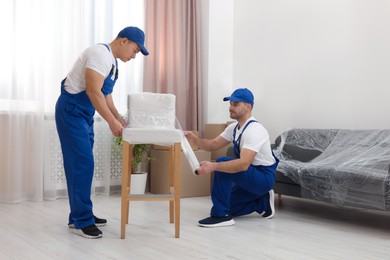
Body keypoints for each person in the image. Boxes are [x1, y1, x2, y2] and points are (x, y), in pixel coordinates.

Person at [55, 26, 149, 238]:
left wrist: (118, 117)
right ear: (124, 41)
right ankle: (82, 221)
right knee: (82, 164)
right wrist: (110, 122)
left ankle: (78, 214)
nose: (134, 56)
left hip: (84, 115)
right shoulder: (100, 54)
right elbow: (92, 91)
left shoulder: (113, 64)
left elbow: (105, 95)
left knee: (82, 165)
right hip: (71, 112)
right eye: (135, 50)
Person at [185, 88, 279, 227]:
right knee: (228, 204)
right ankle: (262, 202)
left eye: (235, 104)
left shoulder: (255, 130)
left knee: (221, 162)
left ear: (248, 106)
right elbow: (213, 144)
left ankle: (221, 216)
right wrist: (194, 139)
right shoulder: (234, 128)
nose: (230, 107)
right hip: (250, 177)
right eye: (230, 104)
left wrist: (214, 166)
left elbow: (243, 165)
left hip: (263, 177)